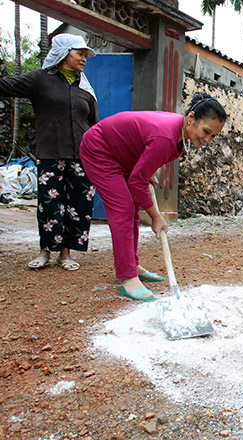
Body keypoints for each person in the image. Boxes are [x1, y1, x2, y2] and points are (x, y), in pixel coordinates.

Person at [79, 93, 227, 301]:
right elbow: (137, 182)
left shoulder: (178, 132)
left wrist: (148, 169)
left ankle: (132, 264)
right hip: (100, 150)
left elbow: (142, 142)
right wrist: (156, 217)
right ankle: (127, 277)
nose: (207, 140)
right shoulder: (166, 136)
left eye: (213, 136)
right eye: (206, 132)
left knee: (131, 211)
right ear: (191, 118)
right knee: (123, 208)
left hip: (122, 153)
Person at [0, 33, 99, 271]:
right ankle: (45, 251)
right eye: (79, 53)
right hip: (50, 153)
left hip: (81, 156)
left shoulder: (85, 89)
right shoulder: (40, 80)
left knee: (78, 205)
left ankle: (65, 254)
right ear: (64, 53)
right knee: (49, 204)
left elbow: (95, 126)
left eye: (85, 55)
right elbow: (5, 85)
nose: (84, 59)